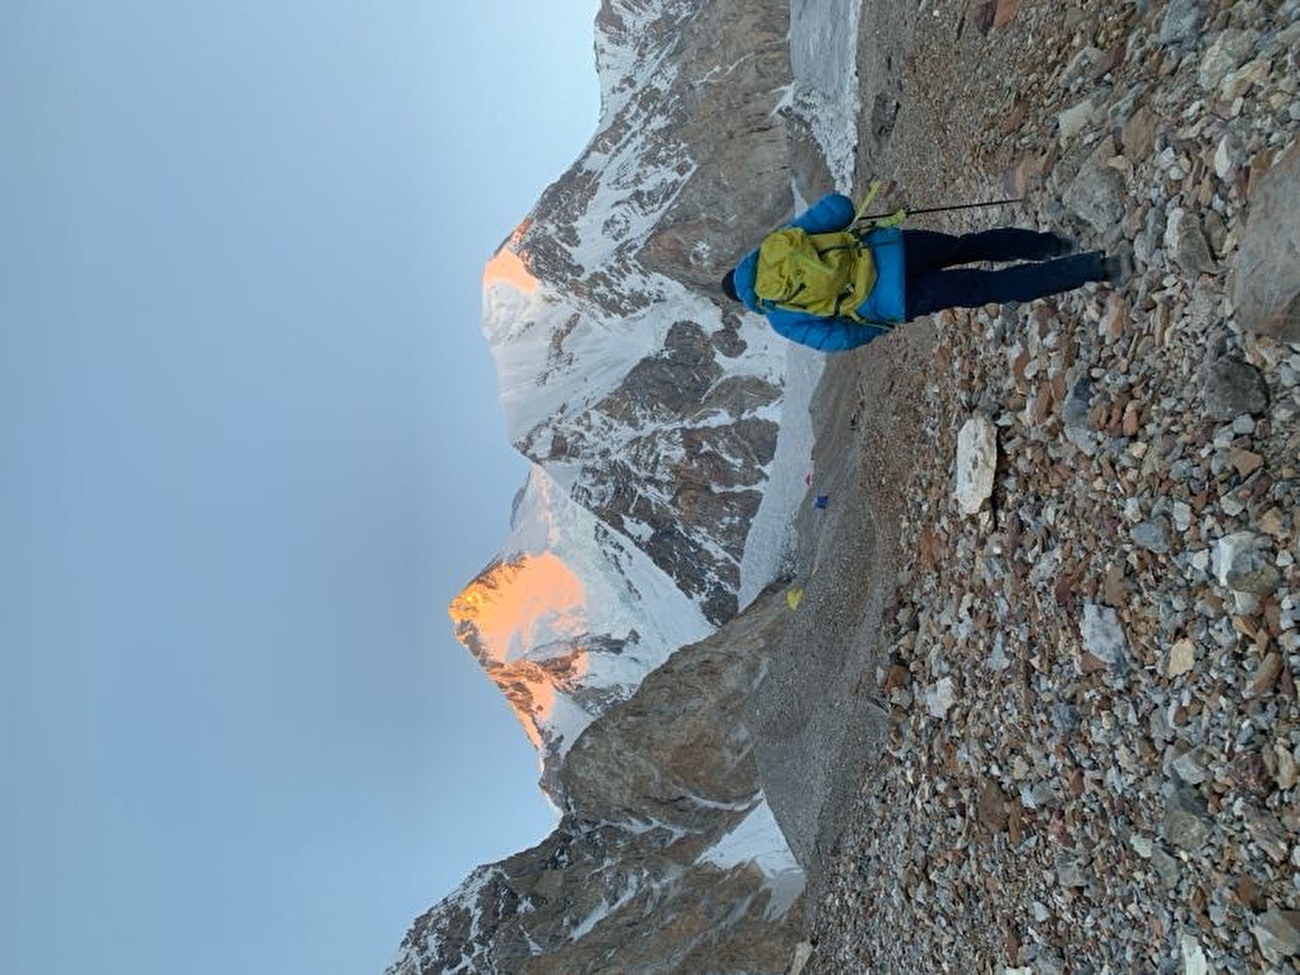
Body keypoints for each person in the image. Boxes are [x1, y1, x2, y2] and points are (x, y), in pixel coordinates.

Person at [720, 192, 1133, 352]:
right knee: (967, 245)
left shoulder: (779, 315)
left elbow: (837, 339)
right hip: (895, 248)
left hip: (896, 300)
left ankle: (1097, 266)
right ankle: (1049, 243)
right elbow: (839, 208)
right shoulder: (777, 245)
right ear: (745, 261)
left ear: (746, 301)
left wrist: (879, 326)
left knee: (989, 286)